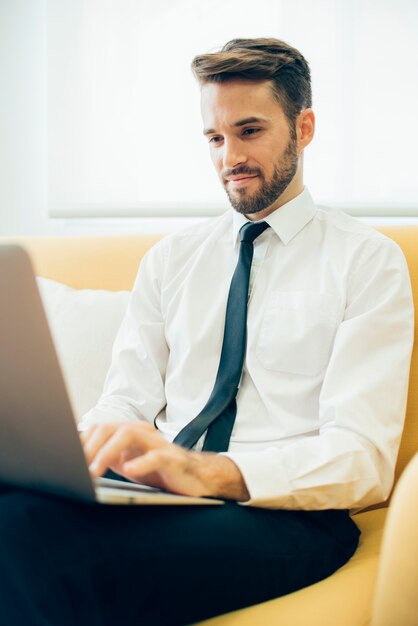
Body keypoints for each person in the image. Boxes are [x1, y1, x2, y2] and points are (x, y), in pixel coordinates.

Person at [0, 38, 414, 626]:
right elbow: (125, 399)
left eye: (249, 131)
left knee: (27, 541)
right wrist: (83, 448)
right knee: (14, 510)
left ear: (306, 127)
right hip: (161, 493)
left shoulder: (367, 261)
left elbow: (362, 458)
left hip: (283, 513)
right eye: (215, 138)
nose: (229, 158)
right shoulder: (171, 259)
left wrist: (203, 471)